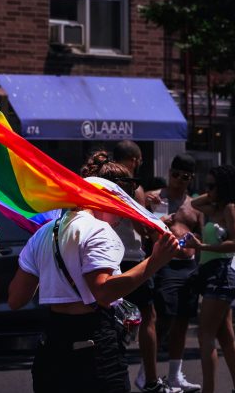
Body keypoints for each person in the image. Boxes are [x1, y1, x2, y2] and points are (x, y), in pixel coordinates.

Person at [8, 175, 181, 393]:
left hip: (51, 345)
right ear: (101, 202)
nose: (119, 220)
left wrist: (51, 269)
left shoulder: (43, 233)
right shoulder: (98, 230)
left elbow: (15, 299)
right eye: (117, 210)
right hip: (93, 346)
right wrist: (155, 262)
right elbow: (103, 291)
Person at [91, 146, 162, 392]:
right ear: (135, 160)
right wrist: (159, 223)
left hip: (104, 257)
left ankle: (111, 365)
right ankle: (150, 378)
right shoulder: (133, 188)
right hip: (131, 257)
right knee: (147, 318)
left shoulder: (99, 182)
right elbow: (143, 228)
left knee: (108, 316)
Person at [185, 165, 235, 393]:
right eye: (206, 185)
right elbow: (194, 203)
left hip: (222, 272)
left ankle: (209, 390)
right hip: (215, 272)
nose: (207, 190)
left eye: (212, 186)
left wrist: (202, 245)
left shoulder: (231, 208)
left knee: (205, 335)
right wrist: (213, 191)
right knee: (225, 335)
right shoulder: (214, 208)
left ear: (224, 188)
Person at [145, 153, 202, 392]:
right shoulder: (154, 198)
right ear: (169, 172)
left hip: (187, 266)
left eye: (185, 177)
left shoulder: (195, 205)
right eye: (176, 174)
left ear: (191, 178)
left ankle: (175, 375)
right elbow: (144, 231)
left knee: (182, 321)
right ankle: (147, 374)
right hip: (164, 264)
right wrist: (154, 217)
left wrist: (195, 244)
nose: (179, 180)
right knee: (162, 319)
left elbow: (201, 236)